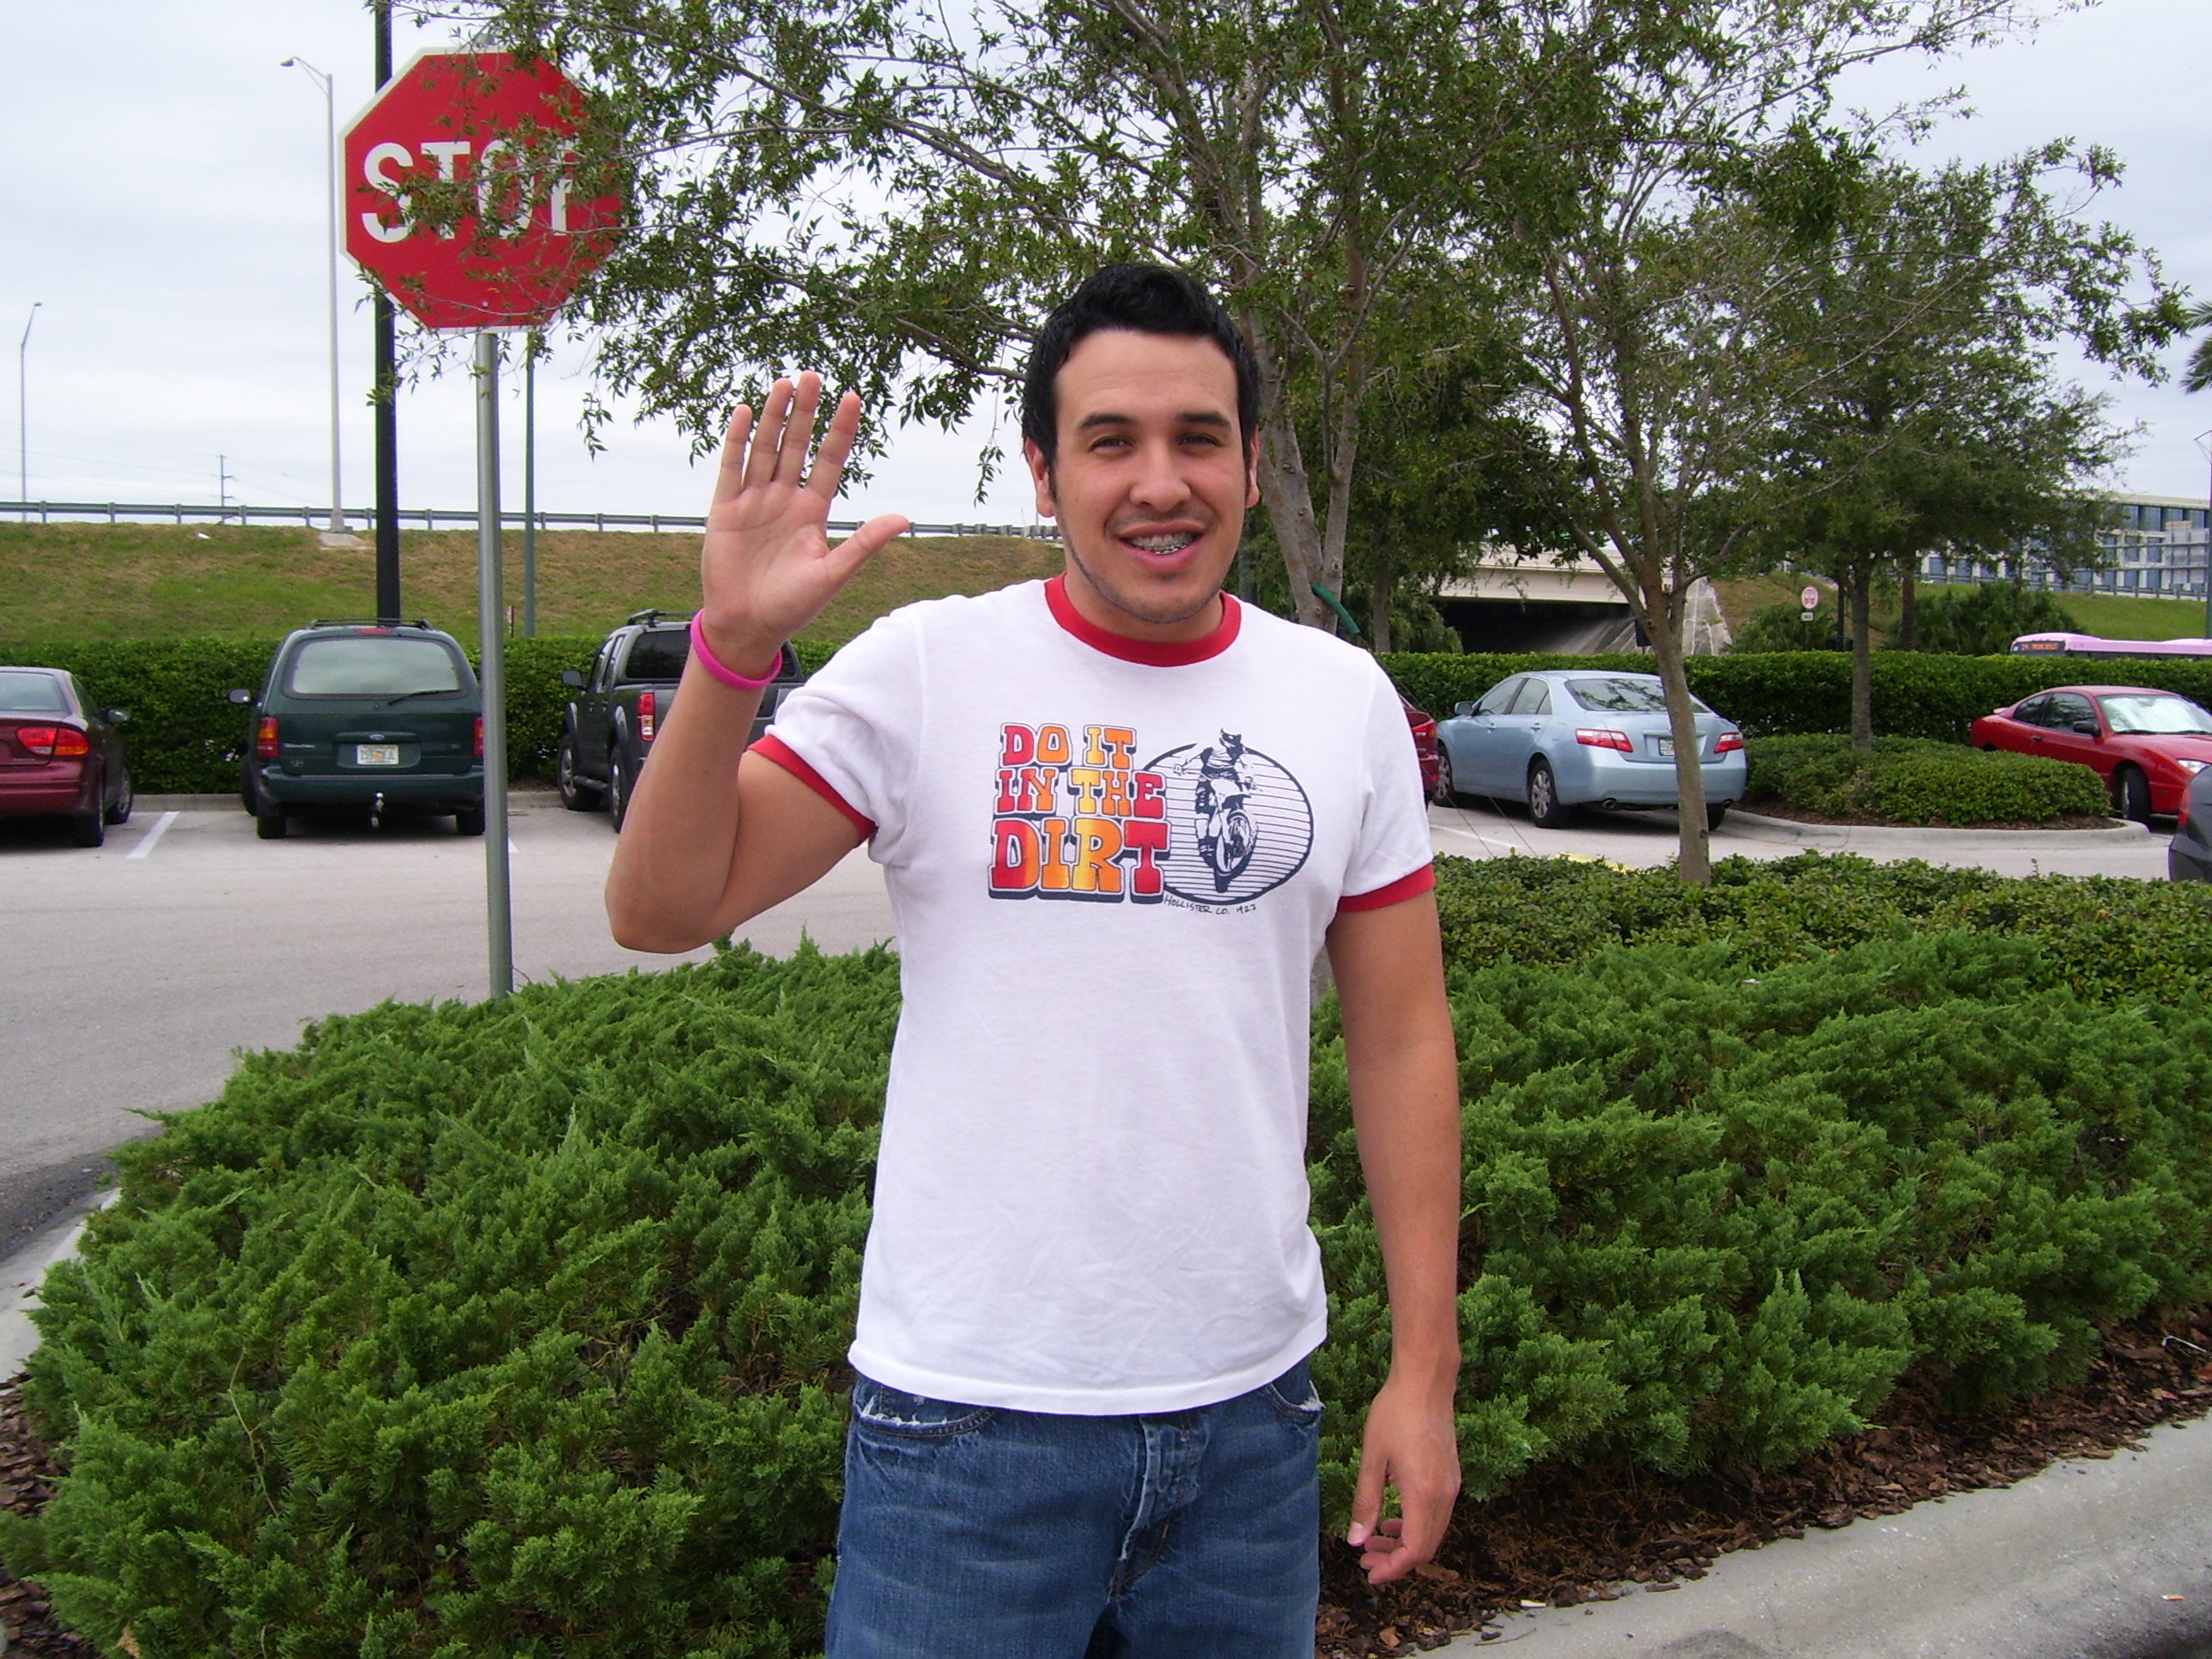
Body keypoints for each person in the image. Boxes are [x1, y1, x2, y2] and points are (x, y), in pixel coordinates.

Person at [606, 263, 1462, 1658]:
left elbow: (1405, 1036)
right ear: (1044, 475)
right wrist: (734, 649)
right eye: (1110, 441)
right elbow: (659, 908)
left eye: (1197, 439)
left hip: (1251, 1424)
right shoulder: (928, 668)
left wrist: (1424, 1373)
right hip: (966, 1429)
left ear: (1251, 465)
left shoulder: (1339, 698)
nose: (1160, 482)